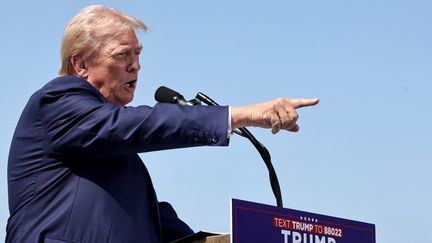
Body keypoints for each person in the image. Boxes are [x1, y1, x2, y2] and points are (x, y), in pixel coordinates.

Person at [6, 5, 319, 243]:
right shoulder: (57, 101)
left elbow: (153, 223)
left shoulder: (110, 153)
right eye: (122, 55)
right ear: (81, 64)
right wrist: (238, 115)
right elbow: (137, 125)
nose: (136, 65)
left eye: (138, 54)